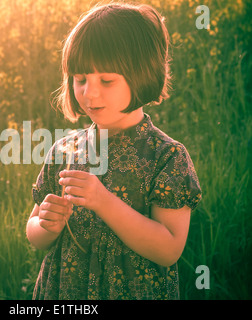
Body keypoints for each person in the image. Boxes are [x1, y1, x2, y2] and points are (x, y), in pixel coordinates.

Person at [26, 2, 202, 300]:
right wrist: (47, 224)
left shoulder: (166, 157)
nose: (89, 93)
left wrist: (104, 202)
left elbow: (169, 249)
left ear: (142, 76)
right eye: (80, 79)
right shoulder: (64, 150)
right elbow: (34, 233)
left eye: (106, 80)